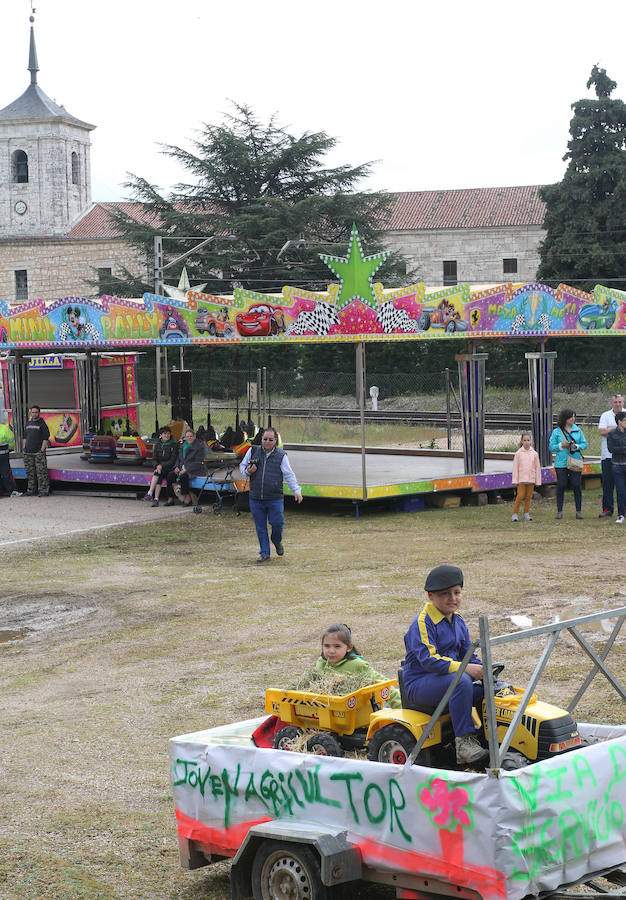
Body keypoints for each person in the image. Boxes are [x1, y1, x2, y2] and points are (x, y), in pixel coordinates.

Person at [403, 564, 488, 766]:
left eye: (457, 592)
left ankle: (488, 737)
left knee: (489, 687)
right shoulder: (423, 623)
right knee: (461, 681)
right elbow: (429, 660)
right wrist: (465, 668)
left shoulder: (458, 621)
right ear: (430, 596)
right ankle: (464, 743)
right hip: (420, 683)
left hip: (449, 679)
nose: (452, 598)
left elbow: (467, 654)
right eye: (445, 594)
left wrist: (483, 671)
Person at [240, 426, 303, 563]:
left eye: (270, 439)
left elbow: (289, 474)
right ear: (261, 439)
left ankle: (276, 541)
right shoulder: (252, 451)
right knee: (260, 527)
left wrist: (296, 491)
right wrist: (248, 471)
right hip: (256, 497)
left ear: (275, 441)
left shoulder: (281, 456)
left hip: (274, 498)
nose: (267, 442)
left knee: (277, 523)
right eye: (265, 439)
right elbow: (242, 467)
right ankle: (264, 553)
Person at [315, 624, 401, 708]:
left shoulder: (357, 665)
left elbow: (383, 685)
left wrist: (401, 705)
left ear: (349, 647)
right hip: (326, 711)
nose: (331, 651)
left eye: (337, 646)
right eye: (327, 646)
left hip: (358, 712)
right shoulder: (321, 663)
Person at [549, 409, 588, 520]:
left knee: (576, 485)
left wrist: (577, 446)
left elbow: (585, 444)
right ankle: (559, 511)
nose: (573, 419)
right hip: (561, 463)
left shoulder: (578, 430)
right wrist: (561, 445)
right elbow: (551, 447)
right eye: (571, 417)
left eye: (574, 416)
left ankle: (579, 511)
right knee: (561, 485)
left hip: (575, 461)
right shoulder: (557, 432)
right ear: (565, 418)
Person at [598, 393, 624, 518]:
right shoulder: (605, 415)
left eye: (620, 402)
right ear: (611, 403)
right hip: (608, 456)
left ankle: (623, 511)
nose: (618, 404)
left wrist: (611, 428)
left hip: (624, 457)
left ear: (623, 402)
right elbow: (602, 431)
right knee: (608, 484)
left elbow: (607, 430)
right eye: (615, 402)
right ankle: (607, 509)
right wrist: (617, 427)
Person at [165, 427, 205, 507]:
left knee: (184, 476)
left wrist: (186, 469)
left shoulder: (199, 447)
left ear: (194, 437)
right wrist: (176, 467)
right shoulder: (182, 446)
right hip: (181, 468)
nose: (189, 438)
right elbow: (178, 459)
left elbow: (198, 462)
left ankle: (187, 497)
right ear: (185, 438)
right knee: (170, 476)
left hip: (193, 469)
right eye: (187, 436)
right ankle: (170, 498)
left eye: (191, 436)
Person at [143, 426, 178, 507]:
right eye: (164, 434)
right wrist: (157, 465)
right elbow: (154, 458)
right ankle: (154, 498)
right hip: (160, 468)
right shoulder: (158, 444)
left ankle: (151, 494)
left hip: (170, 467)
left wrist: (161, 466)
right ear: (160, 435)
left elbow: (172, 460)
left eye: (168, 433)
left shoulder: (174, 445)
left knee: (158, 473)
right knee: (158, 473)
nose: (167, 435)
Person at [511, 432, 542, 522]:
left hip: (531, 479)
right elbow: (515, 468)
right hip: (521, 480)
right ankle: (515, 514)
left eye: (528, 440)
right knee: (520, 496)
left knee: (528, 497)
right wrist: (515, 480)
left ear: (531, 441)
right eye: (524, 440)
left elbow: (537, 468)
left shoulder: (534, 454)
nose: (526, 442)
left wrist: (538, 481)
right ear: (521, 441)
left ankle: (526, 513)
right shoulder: (518, 453)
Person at [22, 405, 50, 497]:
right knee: (30, 473)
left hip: (38, 452)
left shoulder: (42, 424)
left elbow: (46, 438)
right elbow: (25, 437)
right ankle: (31, 490)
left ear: (39, 413)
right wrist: (24, 448)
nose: (34, 414)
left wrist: (42, 450)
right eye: (32, 412)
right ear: (30, 413)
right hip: (28, 452)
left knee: (41, 473)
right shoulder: (28, 423)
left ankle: (43, 491)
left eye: (36, 412)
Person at [607, 410, 626, 525]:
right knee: (620, 491)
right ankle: (621, 514)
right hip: (617, 466)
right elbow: (611, 449)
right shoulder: (611, 434)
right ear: (619, 421)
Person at [0, 417, 16, 497]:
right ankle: (9, 490)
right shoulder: (5, 428)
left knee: (5, 473)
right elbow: (11, 440)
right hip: (4, 455)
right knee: (5, 473)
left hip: (3, 454)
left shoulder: (4, 428)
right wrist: (10, 448)